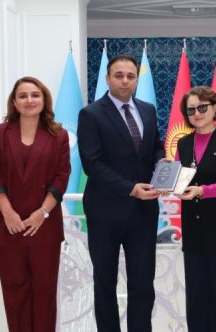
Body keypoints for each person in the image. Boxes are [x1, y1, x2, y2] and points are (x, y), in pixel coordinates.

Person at [78, 55, 165, 332]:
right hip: (105, 212)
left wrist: (162, 163)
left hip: (143, 213)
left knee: (143, 284)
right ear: (107, 78)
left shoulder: (148, 110)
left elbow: (155, 147)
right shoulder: (91, 114)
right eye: (119, 75)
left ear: (137, 79)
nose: (125, 81)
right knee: (105, 283)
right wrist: (130, 188)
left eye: (130, 76)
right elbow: (93, 164)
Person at [0, 76, 70, 331]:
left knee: (44, 293)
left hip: (44, 225)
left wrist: (43, 212)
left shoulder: (59, 135)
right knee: (14, 293)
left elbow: (62, 176)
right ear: (15, 102)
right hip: (8, 225)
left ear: (44, 100)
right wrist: (7, 212)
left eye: (35, 95)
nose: (29, 100)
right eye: (23, 96)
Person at [174, 86, 216, 332]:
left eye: (202, 107)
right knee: (195, 299)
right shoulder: (183, 143)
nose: (197, 113)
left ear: (215, 108)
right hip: (193, 231)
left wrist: (203, 191)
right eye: (191, 109)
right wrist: (167, 182)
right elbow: (178, 180)